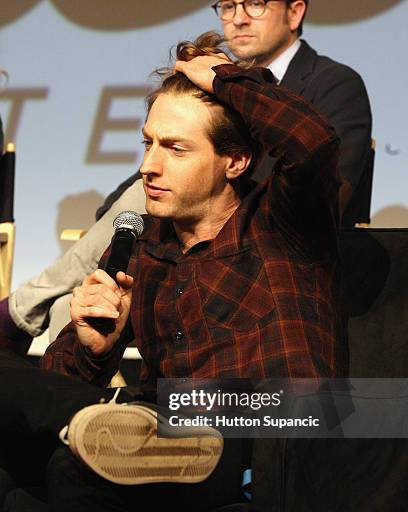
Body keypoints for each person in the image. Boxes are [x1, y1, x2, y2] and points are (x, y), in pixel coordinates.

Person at [0, 32, 347, 512]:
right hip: (160, 437)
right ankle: (112, 430)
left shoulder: (282, 222)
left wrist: (222, 77)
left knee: (142, 423)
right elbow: (57, 382)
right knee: (69, 457)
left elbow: (311, 142)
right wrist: (92, 347)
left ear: (235, 161)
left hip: (262, 428)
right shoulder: (144, 250)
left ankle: (122, 427)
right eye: (147, 143)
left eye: (175, 149)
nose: (148, 167)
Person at [0, 0, 372, 355]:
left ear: (295, 13)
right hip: (185, 242)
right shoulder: (204, 90)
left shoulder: (334, 83)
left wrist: (230, 82)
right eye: (227, 6)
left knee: (132, 214)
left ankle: (17, 313)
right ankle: (79, 410)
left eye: (256, 4)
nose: (238, 18)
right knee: (71, 306)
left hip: (272, 246)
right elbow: (150, 173)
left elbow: (322, 171)